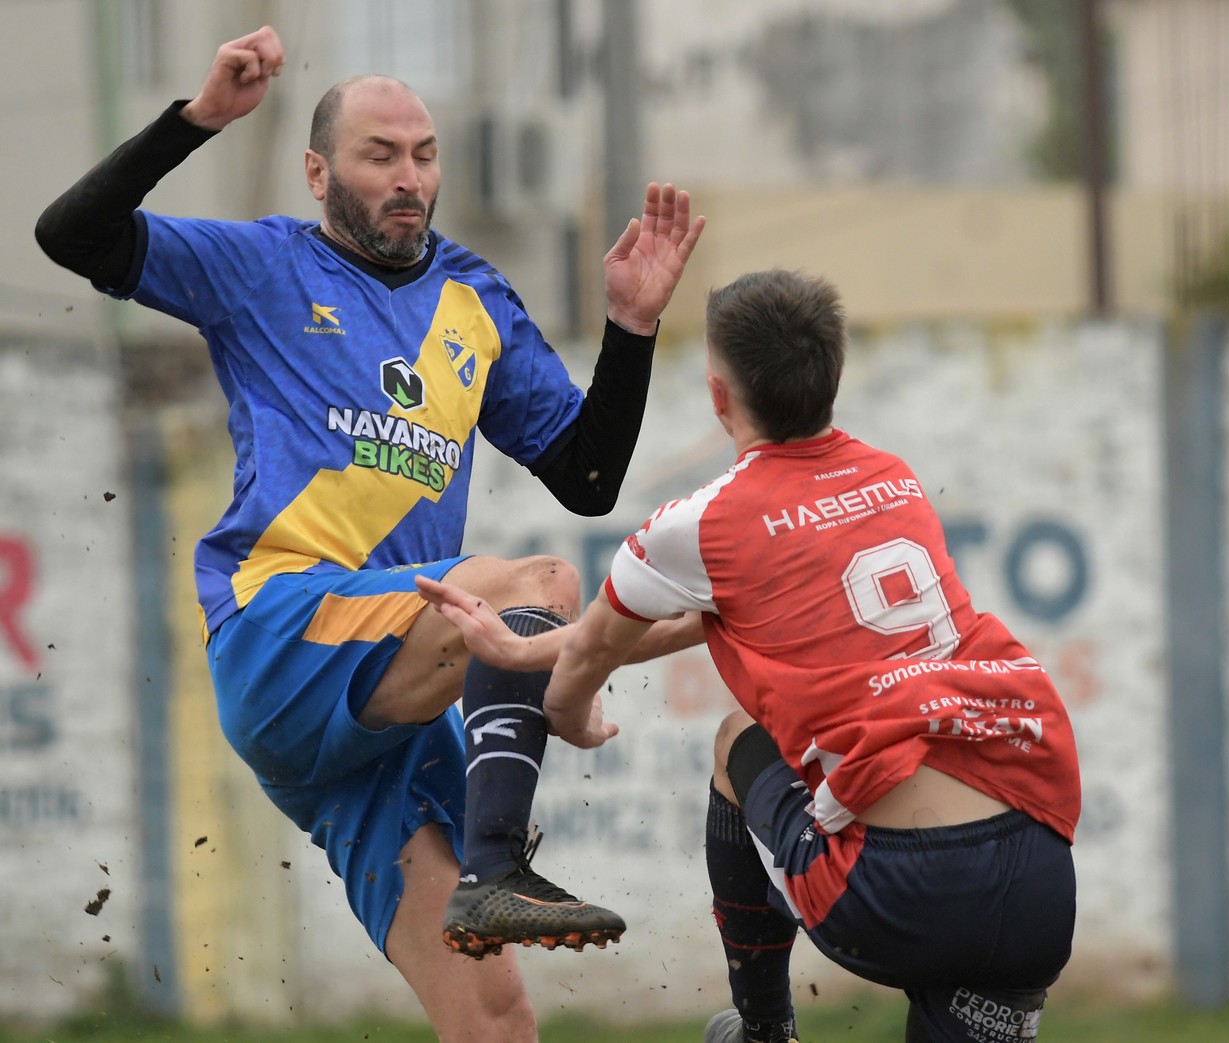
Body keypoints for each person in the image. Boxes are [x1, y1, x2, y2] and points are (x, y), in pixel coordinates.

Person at [35, 25, 704, 1043]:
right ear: (317, 171)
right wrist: (200, 118)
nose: (408, 177)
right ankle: (499, 863)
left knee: (495, 1018)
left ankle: (494, 859)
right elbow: (69, 234)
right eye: (379, 154)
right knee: (527, 582)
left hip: (376, 707)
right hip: (279, 630)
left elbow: (587, 475)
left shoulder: (471, 298)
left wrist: (630, 329)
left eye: (424, 154)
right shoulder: (260, 264)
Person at [417, 269, 1081, 1043]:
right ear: (834, 376)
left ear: (718, 396)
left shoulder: (702, 524)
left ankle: (765, 1030)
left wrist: (563, 709)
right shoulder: (891, 480)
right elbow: (724, 616)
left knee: (738, 740)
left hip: (898, 889)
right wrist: (531, 649)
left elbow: (597, 647)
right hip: (1035, 873)